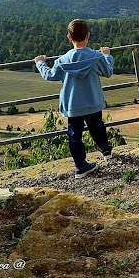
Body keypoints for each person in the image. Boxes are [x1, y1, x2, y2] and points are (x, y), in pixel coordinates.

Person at [34, 19, 114, 178]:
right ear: (88, 36)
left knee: (74, 135)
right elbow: (108, 72)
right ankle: (106, 152)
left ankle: (80, 167)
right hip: (93, 102)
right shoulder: (96, 57)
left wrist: (40, 63)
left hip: (73, 105)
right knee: (98, 128)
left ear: (69, 38)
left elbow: (49, 75)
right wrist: (107, 57)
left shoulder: (61, 61)